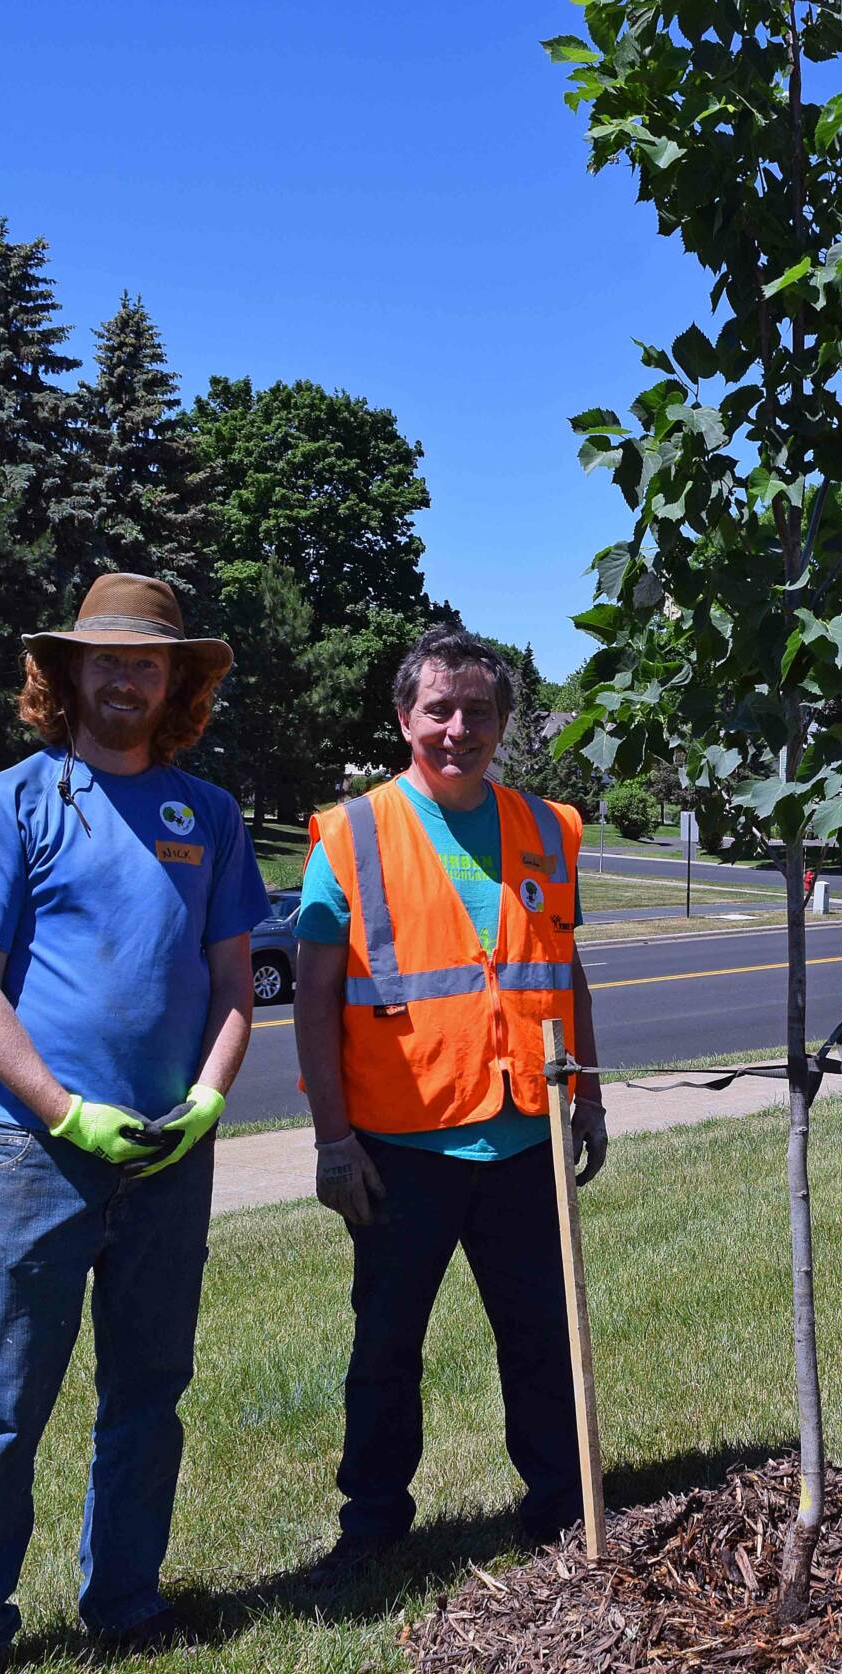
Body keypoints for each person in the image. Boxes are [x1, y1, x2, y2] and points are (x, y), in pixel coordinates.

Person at [0, 574, 268, 1674]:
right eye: (104, 659)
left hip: (170, 1154)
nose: (124, 677)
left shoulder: (205, 815)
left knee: (150, 1393)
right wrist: (65, 1111)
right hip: (37, 1154)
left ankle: (125, 1602)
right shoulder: (12, 802)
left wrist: (209, 1096)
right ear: (64, 675)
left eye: (146, 662)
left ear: (176, 683)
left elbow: (233, 984)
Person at [294, 626, 608, 1584]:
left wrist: (587, 1091)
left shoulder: (549, 827)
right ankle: (374, 1521)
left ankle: (559, 1503)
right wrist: (333, 1139)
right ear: (405, 718)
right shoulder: (350, 834)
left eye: (478, 711)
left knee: (541, 1336)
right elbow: (312, 993)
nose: (458, 728)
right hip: (401, 1147)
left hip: (522, 1139)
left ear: (505, 723)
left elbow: (566, 969)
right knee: (387, 1344)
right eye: (439, 709)